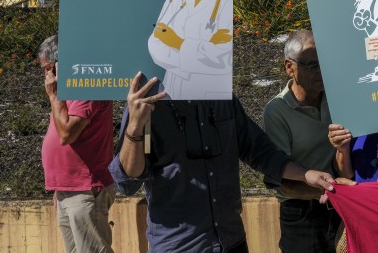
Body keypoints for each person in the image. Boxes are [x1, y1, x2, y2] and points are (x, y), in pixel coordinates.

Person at [109, 73, 337, 253]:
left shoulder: (221, 98)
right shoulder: (146, 102)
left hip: (232, 242)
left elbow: (261, 151)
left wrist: (306, 174)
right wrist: (134, 126)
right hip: (179, 246)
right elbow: (127, 180)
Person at [263, 30, 344, 252]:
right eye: (313, 65)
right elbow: (281, 181)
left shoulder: (338, 98)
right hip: (302, 214)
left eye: (325, 63)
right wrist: (329, 191)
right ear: (289, 67)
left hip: (344, 206)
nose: (322, 71)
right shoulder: (277, 112)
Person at [38, 35, 116, 253]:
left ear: (60, 65)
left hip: (85, 189)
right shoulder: (68, 91)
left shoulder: (85, 87)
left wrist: (53, 95)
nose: (46, 75)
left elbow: (67, 134)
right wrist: (60, 187)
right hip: (69, 189)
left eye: (48, 69)